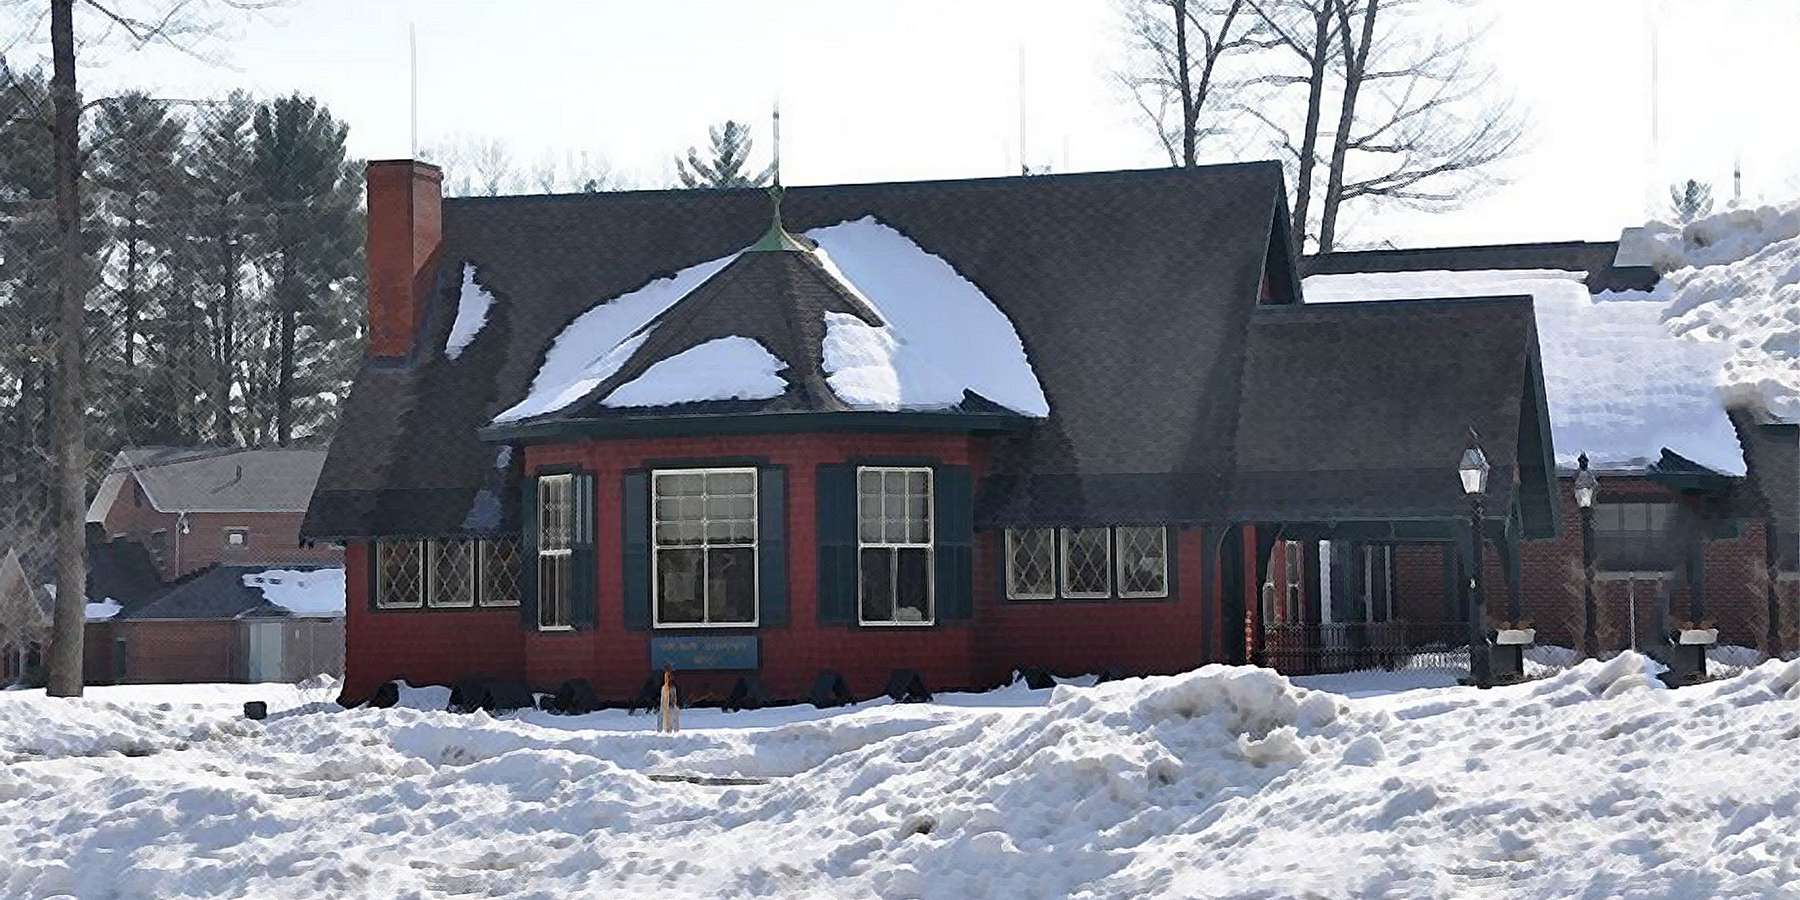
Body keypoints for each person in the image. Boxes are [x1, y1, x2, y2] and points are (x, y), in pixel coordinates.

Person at [658, 665, 680, 733]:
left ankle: (673, 730)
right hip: (666, 704)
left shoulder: (672, 687)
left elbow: (674, 697)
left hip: (670, 704)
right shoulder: (665, 687)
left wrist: (673, 703)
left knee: (672, 716)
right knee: (665, 715)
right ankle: (664, 730)